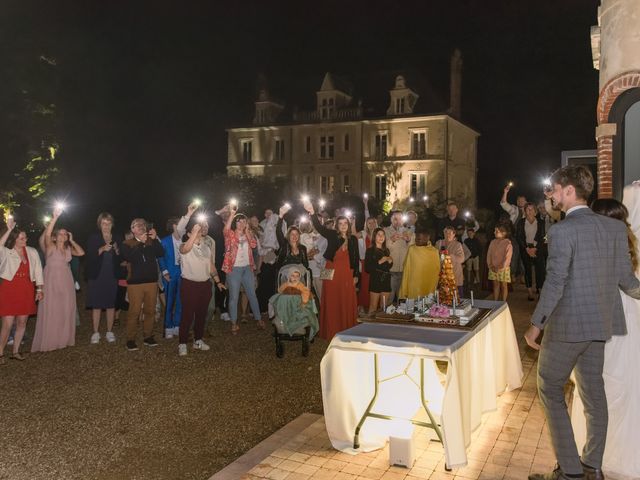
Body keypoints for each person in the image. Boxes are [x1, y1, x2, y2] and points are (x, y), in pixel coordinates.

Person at [525, 165, 640, 480]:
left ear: (568, 189)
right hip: (599, 326)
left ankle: (571, 473)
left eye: (557, 189)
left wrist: (536, 323)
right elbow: (628, 282)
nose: (554, 194)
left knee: (548, 387)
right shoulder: (614, 229)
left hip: (566, 328)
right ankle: (593, 466)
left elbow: (556, 282)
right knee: (594, 394)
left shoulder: (562, 230)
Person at [570, 192, 640, 480]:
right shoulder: (627, 247)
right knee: (618, 388)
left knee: (602, 390)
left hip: (607, 329)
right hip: (626, 330)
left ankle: (595, 457)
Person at [32, 207, 85, 352]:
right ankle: (51, 340)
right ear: (55, 237)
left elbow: (81, 252)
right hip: (52, 280)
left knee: (67, 308)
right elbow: (47, 234)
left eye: (65, 234)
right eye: (60, 233)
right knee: (52, 308)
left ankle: (65, 338)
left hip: (66, 280)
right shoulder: (50, 247)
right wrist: (54, 217)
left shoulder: (68, 249)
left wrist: (72, 240)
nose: (63, 236)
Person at [306, 200, 359, 340]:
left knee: (346, 300)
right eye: (340, 223)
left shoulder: (353, 239)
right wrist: (312, 212)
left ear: (348, 225)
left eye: (345, 223)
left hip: (347, 272)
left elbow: (356, 258)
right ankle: (331, 329)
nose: (343, 226)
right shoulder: (331, 235)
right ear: (337, 225)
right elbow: (318, 226)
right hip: (331, 270)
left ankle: (346, 329)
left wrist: (356, 275)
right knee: (331, 300)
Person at [0, 216, 44, 363]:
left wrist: (39, 289)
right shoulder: (7, 251)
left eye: (25, 238)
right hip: (9, 288)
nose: (25, 240)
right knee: (7, 323)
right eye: (21, 238)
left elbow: (38, 270)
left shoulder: (32, 251)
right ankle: (0, 352)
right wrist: (9, 229)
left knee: (22, 322)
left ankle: (16, 351)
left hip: (26, 288)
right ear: (14, 240)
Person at [177, 221, 224, 356]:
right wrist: (194, 233)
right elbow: (185, 250)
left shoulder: (206, 248)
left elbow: (211, 266)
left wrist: (218, 281)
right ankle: (182, 343)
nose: (199, 231)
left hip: (205, 285)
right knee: (187, 315)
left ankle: (198, 340)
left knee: (201, 315)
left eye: (199, 229)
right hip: (189, 285)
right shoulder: (184, 246)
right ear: (189, 233)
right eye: (195, 229)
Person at [120, 218, 165, 351]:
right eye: (137, 225)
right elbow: (129, 257)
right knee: (134, 311)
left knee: (150, 311)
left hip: (151, 282)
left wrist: (155, 239)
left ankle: (148, 336)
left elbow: (161, 253)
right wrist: (141, 243)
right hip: (135, 284)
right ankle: (130, 339)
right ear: (132, 230)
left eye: (143, 225)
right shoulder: (127, 243)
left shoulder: (152, 242)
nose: (141, 227)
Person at [222, 205, 263, 334]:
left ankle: (258, 319)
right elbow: (225, 229)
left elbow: (253, 245)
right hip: (234, 269)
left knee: (252, 294)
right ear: (235, 222)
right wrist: (232, 214)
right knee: (234, 297)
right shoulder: (230, 235)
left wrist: (247, 232)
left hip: (247, 268)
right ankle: (234, 323)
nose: (241, 223)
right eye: (239, 221)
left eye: (244, 221)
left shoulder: (249, 234)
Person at [86, 212, 122, 344]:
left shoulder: (117, 237)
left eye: (108, 223)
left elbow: (121, 257)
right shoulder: (94, 237)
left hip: (112, 275)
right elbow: (89, 256)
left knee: (110, 304)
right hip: (97, 275)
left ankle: (109, 331)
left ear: (112, 224)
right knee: (96, 304)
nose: (106, 226)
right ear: (99, 224)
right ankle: (95, 332)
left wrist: (118, 250)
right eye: (103, 223)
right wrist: (101, 248)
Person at [159, 217, 185, 339]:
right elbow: (160, 257)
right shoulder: (164, 241)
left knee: (180, 300)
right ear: (175, 226)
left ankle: (177, 325)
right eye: (181, 225)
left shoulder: (185, 241)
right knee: (169, 301)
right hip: (169, 273)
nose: (184, 228)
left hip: (183, 273)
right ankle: (168, 326)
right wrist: (164, 272)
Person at [516, 203, 547, 301]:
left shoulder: (541, 222)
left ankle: (540, 290)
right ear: (525, 211)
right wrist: (527, 248)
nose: (529, 211)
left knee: (540, 270)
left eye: (532, 209)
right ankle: (530, 292)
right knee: (527, 270)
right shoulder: (521, 222)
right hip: (525, 249)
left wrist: (535, 248)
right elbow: (519, 237)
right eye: (527, 209)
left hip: (537, 248)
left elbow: (543, 236)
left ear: (535, 211)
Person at [399, 229, 440, 298]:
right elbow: (406, 267)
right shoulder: (412, 249)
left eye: (419, 239)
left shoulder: (434, 251)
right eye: (416, 238)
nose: (416, 240)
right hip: (414, 283)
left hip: (428, 283)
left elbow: (437, 270)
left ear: (427, 238)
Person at [384, 211, 414, 303]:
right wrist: (391, 240)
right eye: (395, 219)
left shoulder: (408, 231)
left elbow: (413, 248)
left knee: (403, 298)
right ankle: (387, 315)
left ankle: (402, 316)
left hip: (404, 269)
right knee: (390, 297)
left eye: (400, 219)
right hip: (391, 269)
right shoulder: (385, 231)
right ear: (391, 220)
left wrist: (409, 240)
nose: (397, 221)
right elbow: (384, 247)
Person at [355, 197, 377, 311]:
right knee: (365, 284)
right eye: (369, 222)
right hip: (365, 262)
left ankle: (374, 305)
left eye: (373, 222)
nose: (371, 224)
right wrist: (365, 205)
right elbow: (353, 235)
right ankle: (363, 304)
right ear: (366, 224)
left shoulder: (379, 233)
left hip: (377, 262)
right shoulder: (363, 234)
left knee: (375, 284)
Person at [364, 227, 392, 313]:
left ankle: (382, 325)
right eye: (378, 235)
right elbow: (367, 268)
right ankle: (369, 325)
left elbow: (387, 266)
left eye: (383, 235)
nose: (381, 237)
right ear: (374, 237)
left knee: (384, 307)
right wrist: (379, 261)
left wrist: (390, 262)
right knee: (373, 307)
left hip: (386, 279)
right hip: (375, 279)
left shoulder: (386, 250)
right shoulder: (370, 250)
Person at [436, 226, 465, 298]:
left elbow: (462, 259)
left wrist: (450, 255)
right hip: (442, 276)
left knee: (456, 298)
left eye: (449, 233)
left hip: (454, 275)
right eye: (446, 232)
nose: (447, 234)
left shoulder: (457, 244)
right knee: (443, 298)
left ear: (454, 234)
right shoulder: (439, 243)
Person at [487, 224, 513, 301]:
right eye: (494, 231)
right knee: (495, 285)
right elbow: (489, 254)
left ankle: (503, 302)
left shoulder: (508, 244)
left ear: (503, 233)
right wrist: (490, 265)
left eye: (496, 231)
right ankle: (495, 301)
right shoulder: (492, 242)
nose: (494, 232)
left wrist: (501, 268)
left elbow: (507, 258)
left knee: (504, 285)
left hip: (503, 269)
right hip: (493, 268)